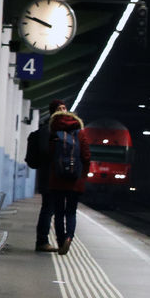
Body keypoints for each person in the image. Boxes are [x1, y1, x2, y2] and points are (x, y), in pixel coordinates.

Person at [46, 100, 91, 255]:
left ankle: (60, 242)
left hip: (57, 179)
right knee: (71, 212)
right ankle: (69, 238)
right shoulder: (80, 132)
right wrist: (82, 177)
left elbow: (50, 156)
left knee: (58, 212)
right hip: (75, 180)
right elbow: (86, 156)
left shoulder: (53, 131)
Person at [25, 101, 61, 252]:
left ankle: (45, 240)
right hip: (50, 177)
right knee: (48, 209)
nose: (64, 112)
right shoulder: (48, 132)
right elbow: (46, 152)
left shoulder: (53, 131)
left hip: (52, 177)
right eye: (60, 109)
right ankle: (42, 241)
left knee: (50, 209)